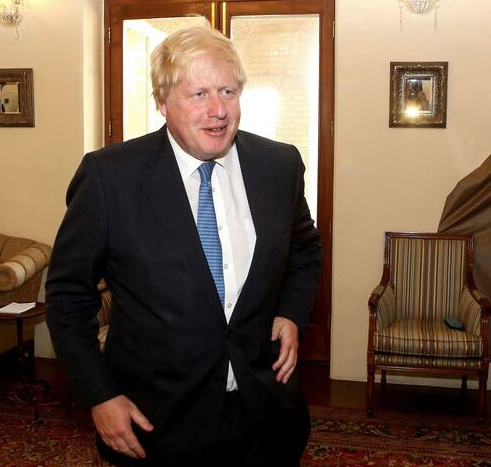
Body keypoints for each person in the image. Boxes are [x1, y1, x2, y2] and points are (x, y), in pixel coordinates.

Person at [45, 25, 322, 467]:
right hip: (155, 424)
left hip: (264, 417)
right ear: (161, 103)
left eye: (227, 91)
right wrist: (99, 396)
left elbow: (305, 251)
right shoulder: (109, 179)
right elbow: (66, 296)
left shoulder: (279, 165)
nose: (218, 110)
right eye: (198, 95)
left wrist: (291, 311)